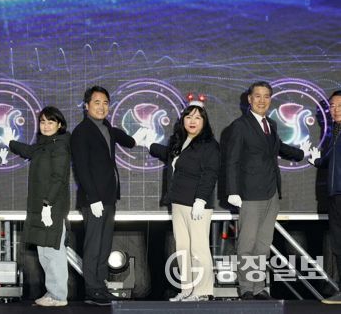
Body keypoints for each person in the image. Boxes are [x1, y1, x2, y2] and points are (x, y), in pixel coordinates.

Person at [225, 81, 315, 300]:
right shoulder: (240, 126)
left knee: (263, 245)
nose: (262, 100)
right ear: (249, 99)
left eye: (266, 96)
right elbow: (232, 160)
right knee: (247, 243)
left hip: (271, 192)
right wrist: (233, 191)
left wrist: (300, 154)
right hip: (250, 193)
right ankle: (246, 288)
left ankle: (258, 287)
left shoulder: (271, 124)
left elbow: (277, 147)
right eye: (257, 96)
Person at [70, 85, 149, 305]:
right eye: (97, 102)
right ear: (86, 106)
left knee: (104, 246)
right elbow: (81, 168)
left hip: (109, 197)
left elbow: (128, 141)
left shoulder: (108, 128)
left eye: (105, 103)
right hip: (94, 199)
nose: (102, 107)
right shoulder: (81, 131)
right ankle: (92, 289)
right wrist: (93, 198)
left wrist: (139, 137)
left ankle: (101, 286)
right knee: (93, 245)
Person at [148, 101, 220, 302]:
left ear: (204, 121)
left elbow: (210, 173)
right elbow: (170, 155)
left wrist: (200, 200)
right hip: (178, 203)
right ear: (183, 120)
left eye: (197, 117)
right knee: (183, 249)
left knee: (198, 248)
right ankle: (187, 289)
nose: (192, 121)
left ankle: (203, 291)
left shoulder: (209, 145)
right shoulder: (181, 142)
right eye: (188, 117)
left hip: (197, 204)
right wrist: (150, 145)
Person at [6, 106, 71, 307]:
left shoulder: (60, 146)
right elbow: (28, 151)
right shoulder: (44, 145)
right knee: (44, 254)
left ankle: (59, 296)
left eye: (51, 122)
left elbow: (59, 179)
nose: (46, 125)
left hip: (51, 208)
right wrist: (10, 142)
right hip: (40, 208)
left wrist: (47, 204)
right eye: (43, 121)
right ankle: (52, 292)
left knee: (53, 252)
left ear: (59, 125)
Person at [309, 89, 341, 305]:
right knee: (338, 245)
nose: (335, 110)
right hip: (335, 196)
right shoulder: (336, 133)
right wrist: (316, 160)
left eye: (340, 106)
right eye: (332, 106)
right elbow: (329, 159)